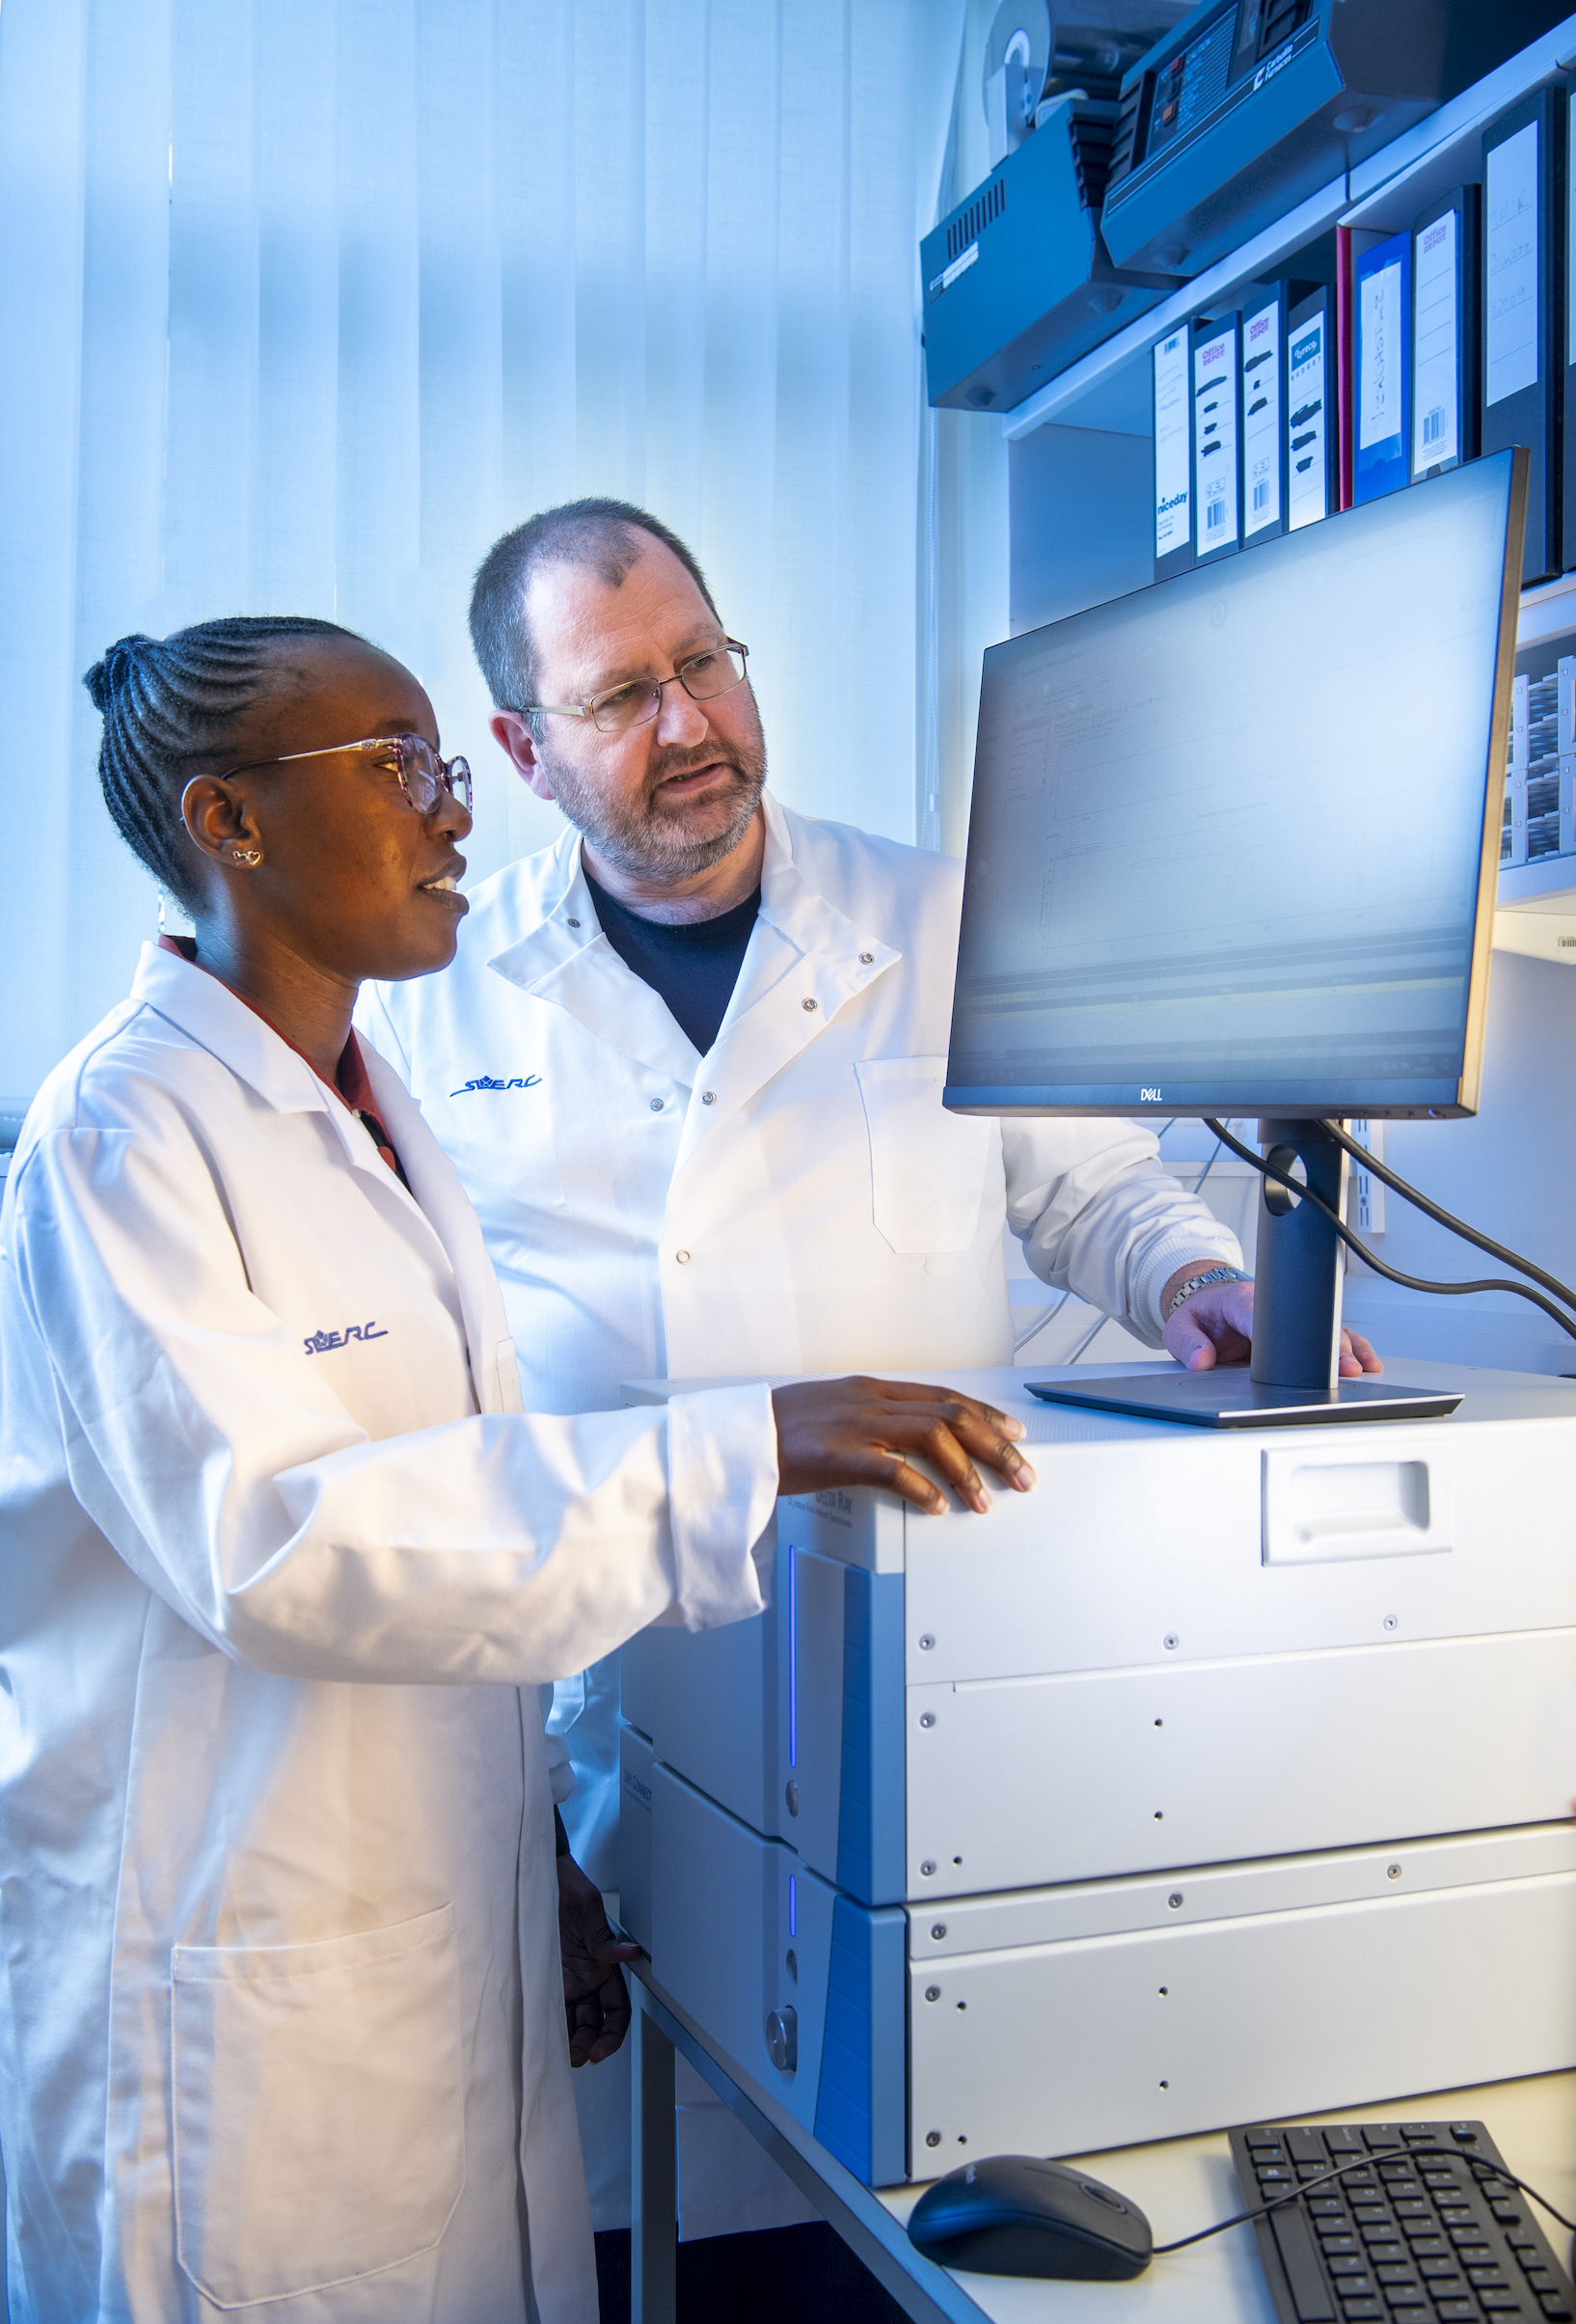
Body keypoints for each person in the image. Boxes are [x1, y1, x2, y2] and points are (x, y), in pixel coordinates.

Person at [357, 499, 1383, 2234]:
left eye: (705, 664)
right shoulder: (433, 1004)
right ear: (523, 750)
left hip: (941, 1698)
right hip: (624, 1718)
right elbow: (423, 1424)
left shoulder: (943, 919)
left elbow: (1091, 1193)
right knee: (664, 2218)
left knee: (930, 2179)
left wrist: (1198, 1279)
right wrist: (511, 1821)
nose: (688, 725)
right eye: (622, 698)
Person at [0, 615, 1037, 2324]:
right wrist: (745, 1440)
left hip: (423, 1907)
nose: (456, 813)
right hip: (234, 1980)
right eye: (398, 768)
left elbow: (452, 1483)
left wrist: (531, 1832)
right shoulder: (120, 1137)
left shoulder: (369, 1112)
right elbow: (282, 1548)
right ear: (228, 824)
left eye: (447, 770)